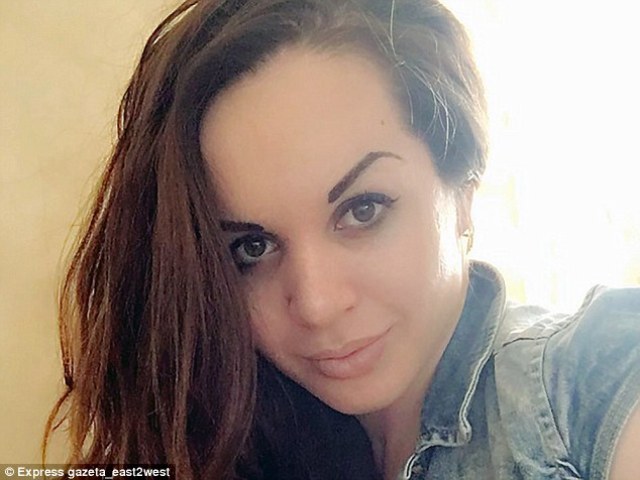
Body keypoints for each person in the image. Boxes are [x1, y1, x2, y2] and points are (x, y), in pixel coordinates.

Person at [45, 0, 640, 478]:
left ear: (462, 189)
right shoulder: (232, 435)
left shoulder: (581, 382)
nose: (317, 304)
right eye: (251, 248)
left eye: (363, 210)